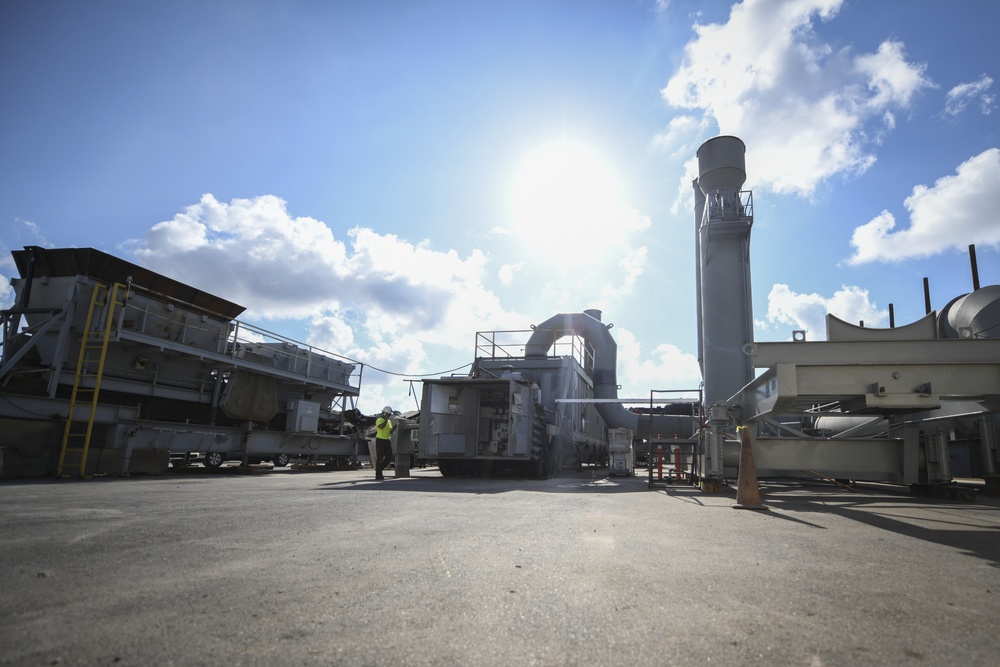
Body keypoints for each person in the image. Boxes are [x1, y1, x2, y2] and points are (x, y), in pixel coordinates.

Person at [374, 406, 396, 480]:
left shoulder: (389, 421)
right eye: (388, 415)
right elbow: (381, 427)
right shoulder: (379, 420)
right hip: (380, 440)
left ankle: (379, 469)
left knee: (389, 457)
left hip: (387, 440)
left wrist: (394, 428)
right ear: (384, 414)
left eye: (390, 415)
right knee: (380, 458)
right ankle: (378, 474)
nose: (389, 416)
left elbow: (390, 431)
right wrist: (386, 420)